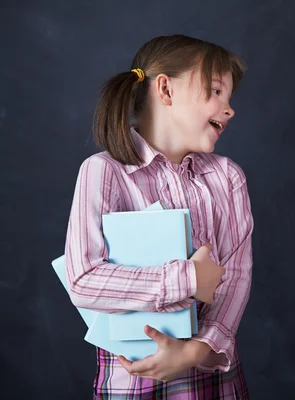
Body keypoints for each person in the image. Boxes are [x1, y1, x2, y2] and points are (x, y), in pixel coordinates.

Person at [64, 34, 253, 399]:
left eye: (229, 98)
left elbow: (237, 277)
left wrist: (195, 350)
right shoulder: (104, 172)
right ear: (165, 90)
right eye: (215, 91)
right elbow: (83, 279)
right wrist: (187, 278)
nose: (228, 109)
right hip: (133, 376)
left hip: (210, 369)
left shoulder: (227, 177)